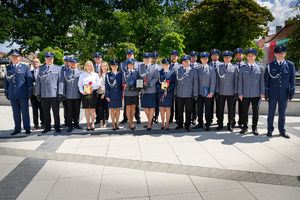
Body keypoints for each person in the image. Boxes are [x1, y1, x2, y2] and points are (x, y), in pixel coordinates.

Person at [265, 45, 295, 139]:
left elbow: (292, 80)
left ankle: (282, 130)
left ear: (285, 54)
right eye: (278, 53)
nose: (280, 55)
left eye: (282, 53)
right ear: (275, 55)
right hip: (273, 93)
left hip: (284, 93)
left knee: (282, 113)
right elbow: (266, 80)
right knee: (271, 112)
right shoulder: (270, 66)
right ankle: (270, 130)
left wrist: (292, 91)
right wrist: (266, 92)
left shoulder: (290, 65)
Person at [4, 49, 33, 135]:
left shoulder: (25, 68)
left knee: (25, 112)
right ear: (11, 58)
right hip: (12, 94)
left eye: (16, 56)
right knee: (15, 113)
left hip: (23, 94)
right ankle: (17, 128)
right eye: (13, 56)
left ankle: (27, 128)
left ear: (19, 57)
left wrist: (30, 92)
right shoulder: (8, 68)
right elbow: (6, 82)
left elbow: (29, 81)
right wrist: (6, 93)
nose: (14, 58)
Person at [238, 48, 264, 135]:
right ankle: (244, 127)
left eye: (252, 56)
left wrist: (262, 92)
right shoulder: (242, 68)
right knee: (244, 112)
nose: (251, 57)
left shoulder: (260, 68)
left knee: (255, 112)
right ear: (246, 57)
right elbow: (240, 82)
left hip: (256, 94)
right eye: (249, 56)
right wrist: (240, 93)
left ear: (255, 57)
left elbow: (262, 82)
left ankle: (254, 127)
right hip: (245, 94)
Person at [36, 52, 63, 134]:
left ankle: (57, 126)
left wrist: (60, 93)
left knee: (56, 112)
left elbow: (60, 82)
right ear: (45, 59)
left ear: (53, 59)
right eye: (48, 58)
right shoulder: (40, 68)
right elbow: (38, 82)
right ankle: (47, 127)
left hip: (54, 94)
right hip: (44, 94)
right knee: (45, 112)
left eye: (51, 58)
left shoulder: (58, 68)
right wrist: (38, 93)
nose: (49, 60)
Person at [215, 50, 238, 131]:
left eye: (228, 57)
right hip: (221, 92)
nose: (226, 59)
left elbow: (236, 81)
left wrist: (235, 92)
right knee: (220, 109)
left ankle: (230, 124)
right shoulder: (219, 67)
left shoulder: (234, 68)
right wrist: (216, 91)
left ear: (231, 58)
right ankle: (220, 124)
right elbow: (217, 80)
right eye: (225, 57)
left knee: (230, 110)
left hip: (231, 92)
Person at [193, 52, 216, 131]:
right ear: (200, 59)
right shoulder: (197, 69)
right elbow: (196, 82)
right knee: (199, 109)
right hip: (199, 93)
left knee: (208, 109)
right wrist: (195, 93)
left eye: (205, 58)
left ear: (207, 59)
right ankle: (200, 123)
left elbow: (213, 81)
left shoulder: (211, 69)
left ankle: (208, 124)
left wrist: (211, 92)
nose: (204, 60)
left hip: (208, 93)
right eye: (203, 58)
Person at [174, 55, 198, 131]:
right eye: (184, 61)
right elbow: (176, 82)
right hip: (180, 94)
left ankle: (187, 125)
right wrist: (175, 93)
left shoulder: (193, 71)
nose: (186, 63)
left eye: (187, 61)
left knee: (188, 111)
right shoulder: (178, 70)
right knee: (180, 110)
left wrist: (195, 93)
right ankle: (180, 124)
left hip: (189, 94)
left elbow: (196, 83)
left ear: (190, 62)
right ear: (182, 62)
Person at [120, 49, 141, 124]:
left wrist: (138, 87)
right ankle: (125, 118)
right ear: (126, 55)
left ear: (133, 55)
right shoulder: (122, 64)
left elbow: (139, 76)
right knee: (127, 105)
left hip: (136, 88)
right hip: (127, 89)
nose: (129, 55)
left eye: (131, 54)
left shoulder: (138, 63)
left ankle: (137, 118)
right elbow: (121, 75)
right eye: (128, 54)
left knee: (136, 105)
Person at [63, 56, 83, 132]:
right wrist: (63, 94)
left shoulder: (81, 72)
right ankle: (69, 125)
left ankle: (76, 124)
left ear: (77, 63)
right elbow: (63, 84)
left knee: (77, 110)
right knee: (69, 111)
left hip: (77, 94)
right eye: (72, 63)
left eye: (74, 63)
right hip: (68, 95)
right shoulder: (65, 72)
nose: (73, 64)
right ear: (70, 63)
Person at [78, 61, 100, 131]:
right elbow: (79, 85)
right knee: (87, 109)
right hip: (85, 93)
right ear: (85, 67)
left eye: (90, 66)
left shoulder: (95, 74)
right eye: (88, 66)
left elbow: (98, 84)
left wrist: (93, 88)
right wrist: (82, 92)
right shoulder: (82, 75)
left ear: (92, 67)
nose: (89, 67)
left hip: (93, 93)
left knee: (93, 109)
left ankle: (92, 123)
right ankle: (88, 124)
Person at [139, 52, 159, 130]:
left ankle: (149, 123)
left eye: (148, 58)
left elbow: (156, 77)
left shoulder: (154, 67)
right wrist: (140, 84)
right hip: (143, 90)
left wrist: (150, 84)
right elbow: (139, 76)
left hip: (151, 89)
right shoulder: (140, 67)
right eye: (145, 58)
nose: (147, 60)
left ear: (150, 59)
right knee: (145, 107)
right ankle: (150, 121)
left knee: (152, 107)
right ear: (143, 59)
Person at [156, 58, 176, 130]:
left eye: (167, 64)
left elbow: (174, 83)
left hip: (169, 93)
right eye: (164, 64)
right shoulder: (159, 72)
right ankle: (163, 123)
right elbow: (157, 83)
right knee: (162, 108)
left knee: (168, 108)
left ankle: (167, 123)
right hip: (161, 93)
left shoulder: (172, 73)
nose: (166, 65)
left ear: (169, 65)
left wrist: (169, 88)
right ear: (162, 65)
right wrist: (160, 89)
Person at [105, 60, 123, 131]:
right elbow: (106, 86)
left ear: (117, 66)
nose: (114, 67)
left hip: (118, 94)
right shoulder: (108, 75)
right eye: (113, 66)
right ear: (111, 66)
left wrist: (122, 94)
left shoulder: (120, 74)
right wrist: (107, 95)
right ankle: (113, 124)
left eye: (115, 65)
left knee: (118, 109)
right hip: (111, 95)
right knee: (112, 110)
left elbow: (122, 85)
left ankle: (117, 123)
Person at [122, 58, 139, 130]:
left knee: (133, 108)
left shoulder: (136, 72)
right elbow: (123, 82)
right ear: (127, 65)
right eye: (129, 64)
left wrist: (137, 87)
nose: (131, 65)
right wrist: (127, 87)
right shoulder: (124, 73)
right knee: (128, 108)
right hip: (127, 92)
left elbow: (139, 81)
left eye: (132, 64)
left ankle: (131, 121)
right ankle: (130, 123)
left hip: (135, 92)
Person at [30, 57, 44, 130]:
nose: (35, 63)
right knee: (34, 110)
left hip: (41, 94)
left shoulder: (42, 72)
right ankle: (35, 124)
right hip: (33, 95)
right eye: (34, 62)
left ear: (40, 63)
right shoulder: (29, 73)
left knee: (42, 109)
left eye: (37, 62)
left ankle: (43, 123)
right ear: (32, 63)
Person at [233, 48, 245, 128]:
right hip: (233, 90)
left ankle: (241, 122)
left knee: (242, 107)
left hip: (243, 90)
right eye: (236, 55)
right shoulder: (232, 65)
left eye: (239, 55)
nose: (238, 57)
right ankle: (232, 121)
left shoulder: (246, 66)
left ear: (243, 55)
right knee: (232, 107)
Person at [209, 49, 221, 122]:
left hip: (219, 88)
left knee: (219, 106)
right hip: (210, 89)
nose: (214, 56)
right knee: (210, 105)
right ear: (211, 57)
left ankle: (219, 119)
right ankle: (210, 119)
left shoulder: (222, 65)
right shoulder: (208, 65)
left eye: (216, 55)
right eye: (213, 55)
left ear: (218, 56)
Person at [169, 50, 181, 124]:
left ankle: (177, 118)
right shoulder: (167, 65)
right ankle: (170, 118)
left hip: (178, 87)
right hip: (169, 88)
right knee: (170, 104)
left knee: (178, 104)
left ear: (177, 57)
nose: (173, 57)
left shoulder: (180, 66)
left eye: (175, 56)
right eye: (172, 56)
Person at [97, 61, 110, 128]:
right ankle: (101, 122)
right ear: (100, 67)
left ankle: (106, 122)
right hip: (99, 93)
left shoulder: (109, 74)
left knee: (106, 108)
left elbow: (110, 85)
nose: (104, 67)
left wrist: (104, 93)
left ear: (107, 66)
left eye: (105, 66)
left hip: (107, 94)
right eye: (102, 66)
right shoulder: (98, 75)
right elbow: (96, 85)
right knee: (100, 109)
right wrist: (102, 90)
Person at [151, 51, 161, 124]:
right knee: (151, 104)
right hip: (150, 88)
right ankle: (150, 118)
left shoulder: (160, 67)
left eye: (156, 58)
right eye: (153, 58)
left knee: (157, 104)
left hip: (158, 88)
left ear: (157, 59)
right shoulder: (148, 67)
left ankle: (156, 117)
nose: (154, 59)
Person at [190, 51, 199, 125]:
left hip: (196, 88)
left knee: (195, 104)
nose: (193, 58)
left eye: (194, 57)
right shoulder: (186, 65)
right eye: (192, 57)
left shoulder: (199, 66)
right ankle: (188, 118)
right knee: (188, 104)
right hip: (188, 88)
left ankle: (194, 118)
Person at [94, 52, 103, 124]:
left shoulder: (103, 67)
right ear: (94, 59)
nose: (98, 59)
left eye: (99, 58)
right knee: (96, 105)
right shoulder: (91, 67)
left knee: (102, 105)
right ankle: (97, 118)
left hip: (102, 89)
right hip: (93, 90)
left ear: (101, 59)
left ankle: (103, 118)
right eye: (96, 57)